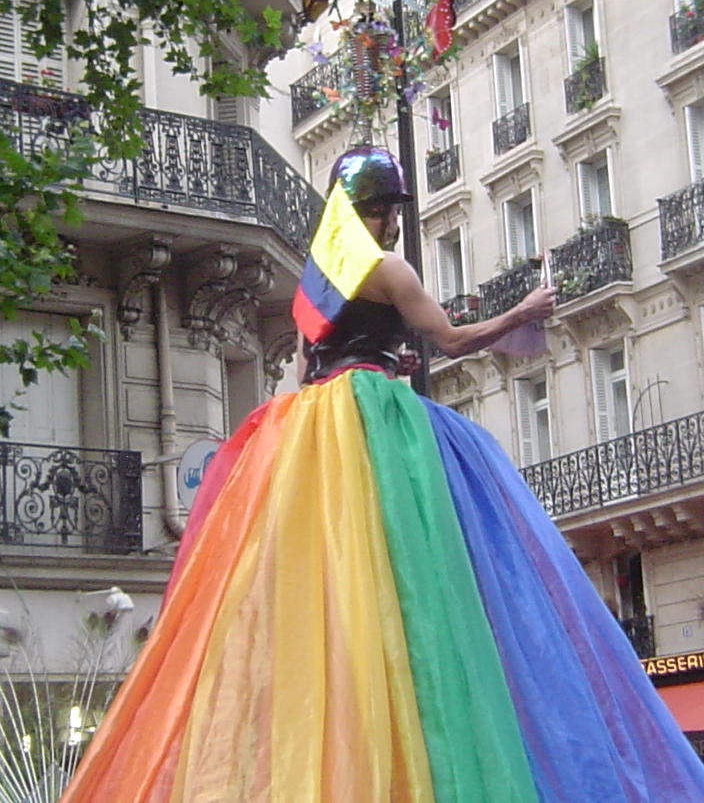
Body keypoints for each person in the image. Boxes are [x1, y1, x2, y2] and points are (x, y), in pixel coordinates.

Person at [61, 148, 704, 803]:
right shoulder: (387, 267)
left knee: (338, 573)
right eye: (386, 209)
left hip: (310, 423)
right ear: (374, 212)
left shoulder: (322, 275)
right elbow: (449, 341)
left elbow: (321, 355)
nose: (392, 221)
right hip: (373, 413)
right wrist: (523, 311)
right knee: (425, 564)